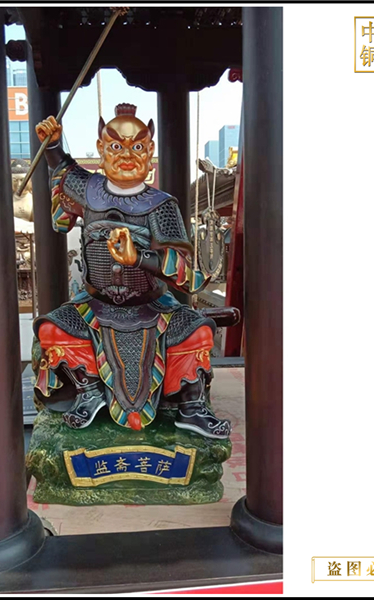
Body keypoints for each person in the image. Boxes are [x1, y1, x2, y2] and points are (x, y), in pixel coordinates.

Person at [32, 103, 230, 439]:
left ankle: (191, 406)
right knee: (52, 329)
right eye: (116, 145)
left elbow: (185, 272)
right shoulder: (89, 190)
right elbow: (65, 173)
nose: (126, 155)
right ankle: (89, 391)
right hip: (94, 304)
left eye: (137, 146)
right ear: (101, 148)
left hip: (151, 306)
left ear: (150, 151)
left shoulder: (161, 205)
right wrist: (52, 145)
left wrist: (139, 258)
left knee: (198, 332)